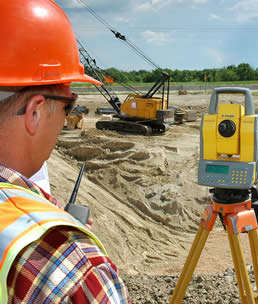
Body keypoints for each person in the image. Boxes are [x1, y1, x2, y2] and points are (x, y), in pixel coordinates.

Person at [0, 1, 130, 303]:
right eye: (68, 106)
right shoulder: (76, 268)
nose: (65, 120)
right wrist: (62, 239)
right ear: (34, 111)